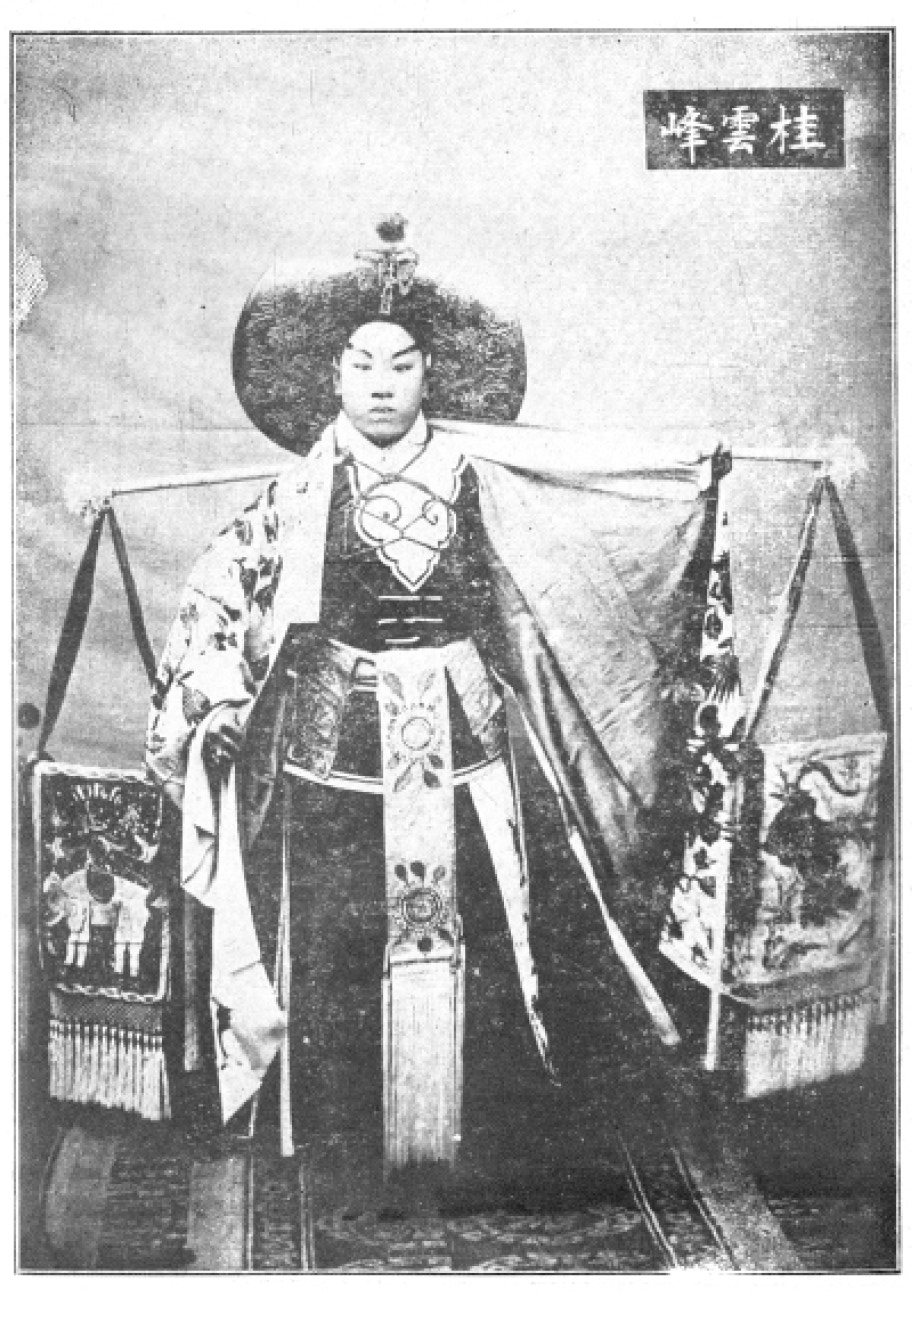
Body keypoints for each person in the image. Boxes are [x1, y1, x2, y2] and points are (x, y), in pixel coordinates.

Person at [146, 217, 719, 1178]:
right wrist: (216, 707)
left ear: (431, 376)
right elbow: (220, 604)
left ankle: (489, 1136)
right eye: (361, 364)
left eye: (402, 365)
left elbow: (582, 534)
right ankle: (343, 1140)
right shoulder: (294, 497)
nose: (381, 384)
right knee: (338, 931)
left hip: (461, 738)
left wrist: (689, 477)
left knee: (488, 927)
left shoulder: (479, 475)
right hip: (337, 750)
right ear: (331, 377)